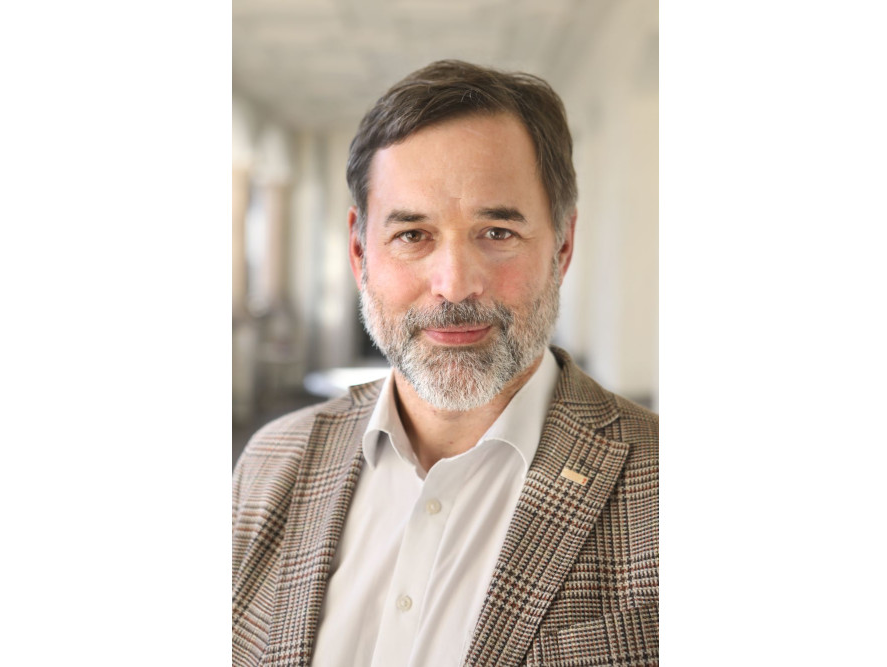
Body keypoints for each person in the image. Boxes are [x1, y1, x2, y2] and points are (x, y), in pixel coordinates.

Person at [232, 60, 658, 667]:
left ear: (562, 247)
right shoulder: (270, 464)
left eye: (497, 232)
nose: (454, 285)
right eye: (413, 235)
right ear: (359, 251)